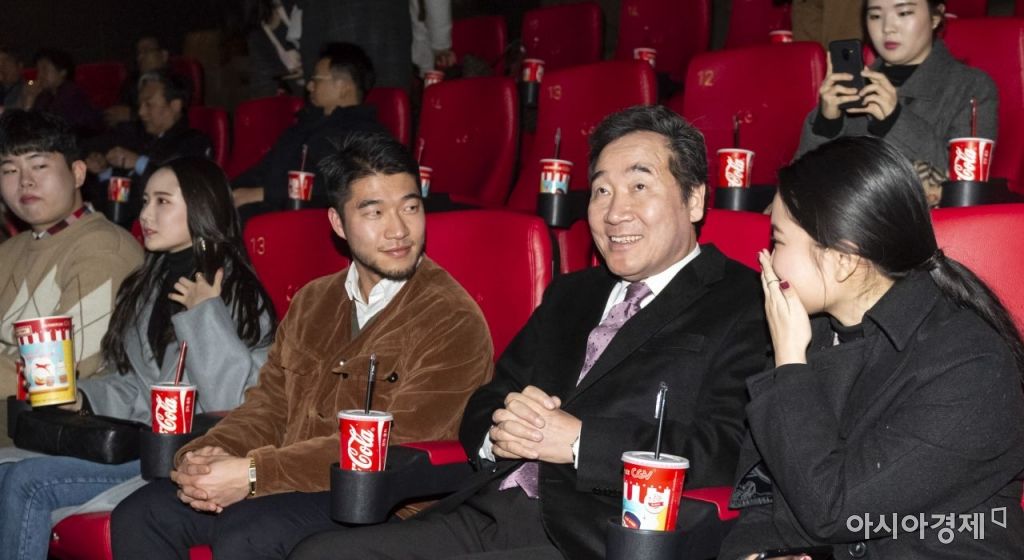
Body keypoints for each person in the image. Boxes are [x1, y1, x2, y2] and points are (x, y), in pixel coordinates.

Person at [291, 105, 769, 560]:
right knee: (317, 554)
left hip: (602, 534)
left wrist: (581, 442)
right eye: (601, 191)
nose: (614, 212)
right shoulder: (571, 294)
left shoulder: (745, 301)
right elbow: (488, 398)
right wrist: (503, 430)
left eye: (639, 186)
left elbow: (732, 449)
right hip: (491, 508)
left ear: (694, 198)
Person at [111, 132, 495, 559]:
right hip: (286, 482)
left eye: (410, 207)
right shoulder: (314, 300)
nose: (399, 230)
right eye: (375, 212)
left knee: (249, 531)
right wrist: (205, 455)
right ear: (338, 224)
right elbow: (269, 405)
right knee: (140, 514)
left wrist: (253, 474)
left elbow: (398, 446)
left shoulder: (451, 317)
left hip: (379, 502)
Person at [719, 136, 1024, 559]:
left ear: (844, 259)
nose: (766, 259)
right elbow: (762, 490)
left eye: (779, 241)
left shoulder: (971, 366)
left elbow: (836, 511)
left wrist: (790, 365)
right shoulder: (809, 331)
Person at [0, 156, 275, 560]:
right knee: (4, 465)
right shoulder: (150, 282)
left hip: (189, 454)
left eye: (163, 202)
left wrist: (206, 314)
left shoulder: (234, 292)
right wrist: (83, 397)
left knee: (27, 480)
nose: (145, 214)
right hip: (137, 442)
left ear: (201, 208)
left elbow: (230, 401)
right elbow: (137, 385)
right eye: (145, 201)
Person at [0, 110, 142, 400]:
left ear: (77, 173)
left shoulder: (105, 249)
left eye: (39, 165)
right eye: (10, 170)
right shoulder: (10, 249)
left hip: (51, 416)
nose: (25, 181)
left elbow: (60, 371)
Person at [798, 0, 997, 178]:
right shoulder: (849, 87)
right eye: (875, 16)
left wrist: (895, 121)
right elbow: (797, 182)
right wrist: (827, 125)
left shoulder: (971, 87)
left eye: (903, 13)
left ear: (935, 17)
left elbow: (963, 183)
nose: (887, 28)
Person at [232, 42, 390, 222]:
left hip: (312, 222)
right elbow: (264, 169)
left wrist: (264, 193)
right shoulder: (303, 126)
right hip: (270, 213)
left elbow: (343, 188)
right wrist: (224, 191)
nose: (309, 86)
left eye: (316, 79)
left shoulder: (365, 134)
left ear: (343, 86)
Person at [87, 71, 212, 224]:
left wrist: (138, 163)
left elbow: (177, 188)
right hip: (118, 221)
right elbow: (121, 192)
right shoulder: (140, 138)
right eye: (140, 105)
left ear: (175, 105)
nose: (141, 112)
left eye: (149, 104)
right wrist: (103, 172)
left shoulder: (193, 142)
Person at [21, 49, 103, 137]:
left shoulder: (72, 93)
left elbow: (54, 126)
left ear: (62, 72)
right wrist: (29, 99)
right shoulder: (45, 95)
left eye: (45, 69)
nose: (39, 75)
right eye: (38, 70)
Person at [103, 35, 172, 129]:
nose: (140, 57)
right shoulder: (131, 82)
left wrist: (132, 115)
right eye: (138, 53)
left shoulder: (176, 82)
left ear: (164, 55)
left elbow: (170, 114)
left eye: (146, 51)